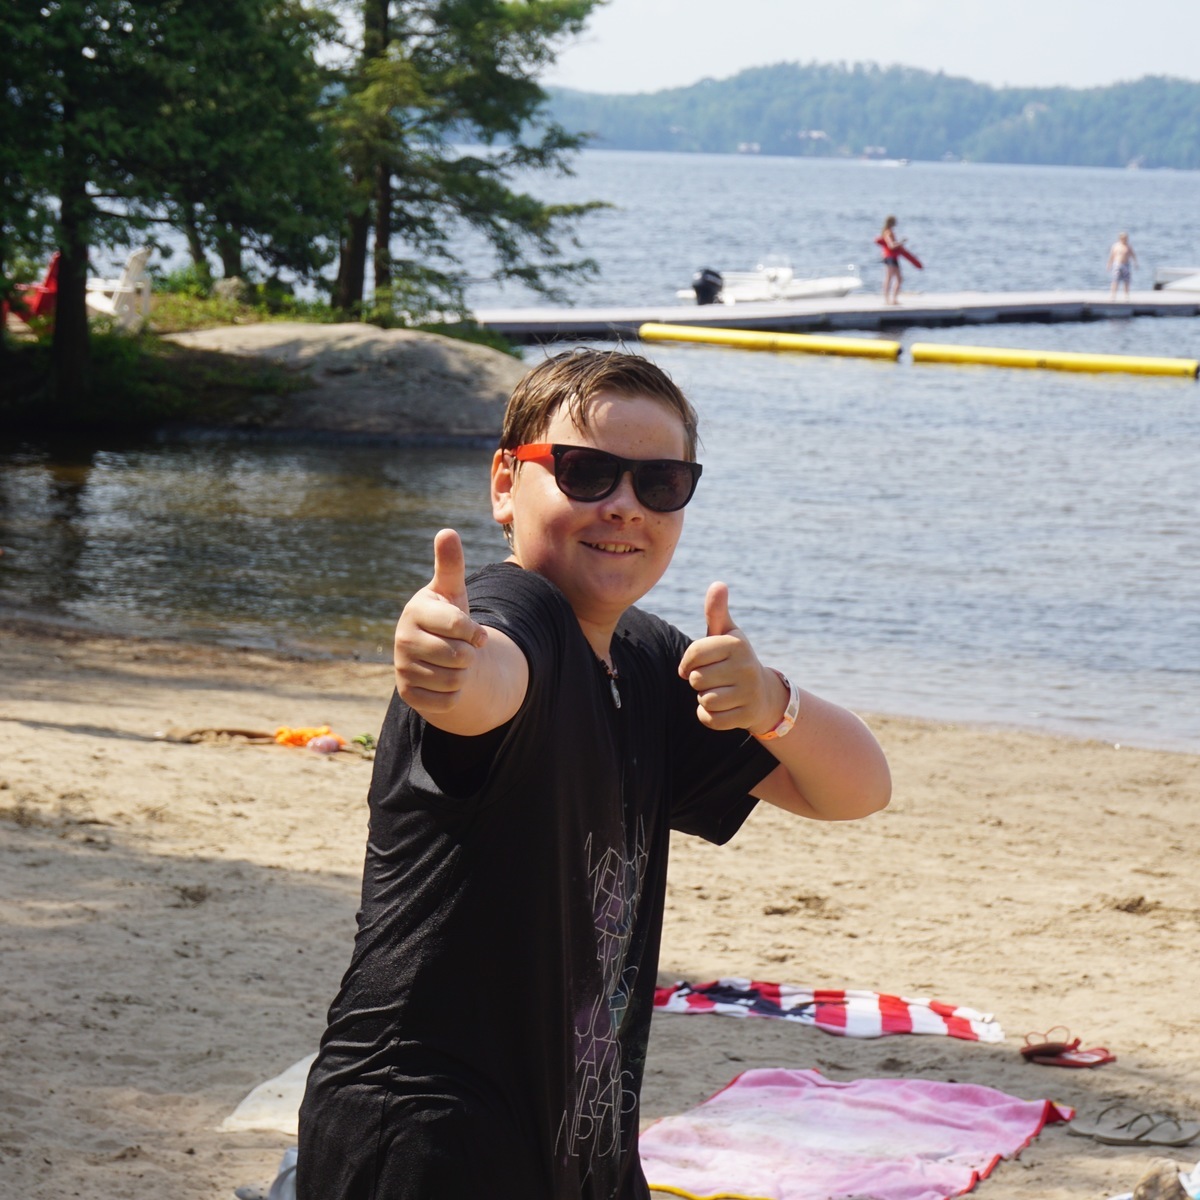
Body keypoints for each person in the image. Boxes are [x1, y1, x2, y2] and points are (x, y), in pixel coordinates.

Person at [296, 349, 892, 1200]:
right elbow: (491, 682)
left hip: (586, 1141)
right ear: (506, 483)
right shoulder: (520, 615)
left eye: (660, 483)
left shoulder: (645, 660)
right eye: (584, 472)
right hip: (432, 1139)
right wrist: (447, 667)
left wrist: (770, 701)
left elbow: (856, 789)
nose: (623, 505)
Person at [877, 215, 904, 304]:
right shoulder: (888, 232)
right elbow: (891, 245)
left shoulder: (889, 231)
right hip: (890, 257)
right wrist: (900, 243)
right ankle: (887, 299)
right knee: (889, 278)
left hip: (893, 257)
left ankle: (894, 299)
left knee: (899, 278)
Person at [1108, 231, 1139, 298]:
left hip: (1126, 265)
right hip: (1117, 264)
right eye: (1123, 238)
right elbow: (1112, 256)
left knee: (1126, 280)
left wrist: (1135, 263)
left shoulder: (1128, 246)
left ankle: (1126, 295)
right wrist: (1109, 264)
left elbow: (1133, 255)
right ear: (1120, 238)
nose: (1124, 240)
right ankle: (1113, 294)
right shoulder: (1115, 246)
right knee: (1115, 280)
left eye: (1126, 238)